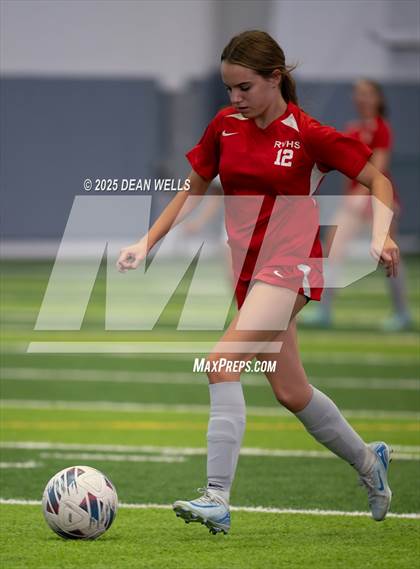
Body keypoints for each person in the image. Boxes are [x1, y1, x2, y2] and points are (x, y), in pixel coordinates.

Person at [117, 31, 399, 535]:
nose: (235, 98)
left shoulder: (308, 134)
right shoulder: (225, 126)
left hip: (292, 265)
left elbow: (378, 179)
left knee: (222, 363)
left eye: (244, 87)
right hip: (249, 274)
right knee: (291, 391)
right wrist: (147, 241)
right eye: (229, 88)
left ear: (275, 78)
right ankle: (367, 460)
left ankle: (216, 497)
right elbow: (192, 188)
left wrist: (381, 235)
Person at [302, 78, 412, 330]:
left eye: (367, 93)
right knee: (333, 249)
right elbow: (346, 168)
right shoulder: (352, 129)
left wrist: (360, 196)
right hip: (354, 201)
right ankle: (324, 311)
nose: (362, 98)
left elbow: (378, 170)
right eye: (358, 94)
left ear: (378, 98)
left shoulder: (382, 128)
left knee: (388, 254)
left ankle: (403, 313)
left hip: (379, 201)